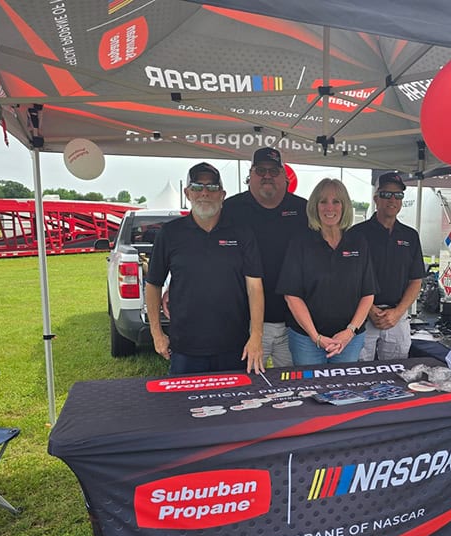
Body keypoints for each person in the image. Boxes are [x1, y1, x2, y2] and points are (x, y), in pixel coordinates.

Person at [145, 162, 264, 375]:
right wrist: (157, 333)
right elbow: (153, 284)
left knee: (236, 398)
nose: (205, 193)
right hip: (185, 348)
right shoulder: (170, 233)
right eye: (198, 187)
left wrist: (256, 336)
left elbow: (254, 287)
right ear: (187, 193)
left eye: (212, 187)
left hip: (235, 346)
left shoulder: (242, 232)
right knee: (184, 398)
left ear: (222, 195)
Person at [220, 147, 309, 368]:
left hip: (293, 321)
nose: (267, 175)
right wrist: (173, 285)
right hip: (244, 320)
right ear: (250, 175)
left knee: (291, 384)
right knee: (244, 383)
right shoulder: (230, 208)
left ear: (285, 177)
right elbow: (208, 250)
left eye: (274, 171)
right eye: (261, 170)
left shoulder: (304, 209)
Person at [276, 178, 377, 366]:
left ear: (344, 206)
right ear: (315, 206)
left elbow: (368, 293)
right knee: (309, 385)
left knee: (344, 385)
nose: (329, 208)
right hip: (306, 340)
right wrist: (316, 337)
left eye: (336, 201)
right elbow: (291, 295)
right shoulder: (300, 242)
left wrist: (349, 332)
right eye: (323, 201)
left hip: (349, 340)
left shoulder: (358, 242)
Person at [351, 172, 425, 361]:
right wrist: (370, 309)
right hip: (361, 316)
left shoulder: (410, 236)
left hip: (397, 318)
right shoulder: (356, 234)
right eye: (386, 194)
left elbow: (416, 280)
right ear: (376, 198)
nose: (392, 199)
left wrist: (397, 312)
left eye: (398, 195)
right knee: (358, 373)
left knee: (396, 373)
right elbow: (347, 278)